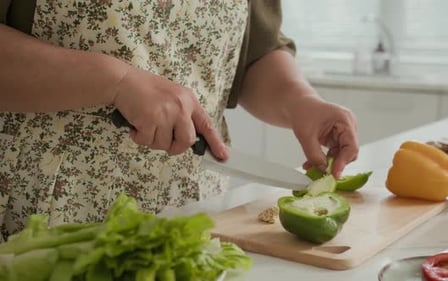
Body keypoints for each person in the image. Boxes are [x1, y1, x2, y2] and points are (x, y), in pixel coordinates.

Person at [0, 0, 358, 240]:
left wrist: (300, 102)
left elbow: (255, 54)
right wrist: (114, 81)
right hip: (43, 222)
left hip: (192, 218)